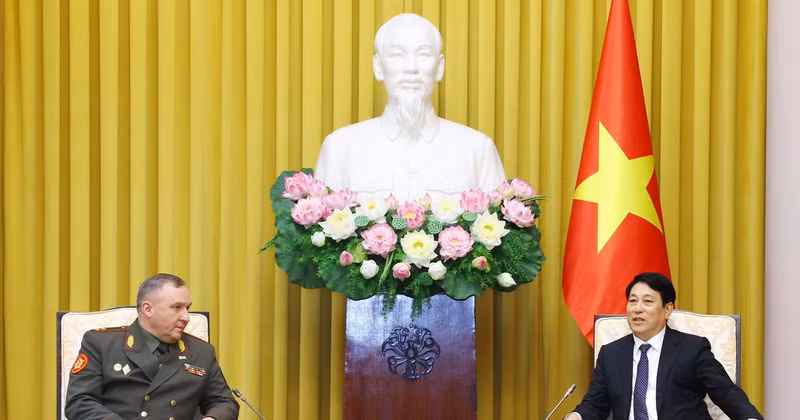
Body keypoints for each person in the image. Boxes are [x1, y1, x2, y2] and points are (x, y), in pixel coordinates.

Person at [314, 13, 506, 202]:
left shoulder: (477, 150)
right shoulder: (339, 149)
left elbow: (499, 228)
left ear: (439, 67)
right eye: (397, 55)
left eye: (423, 54)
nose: (411, 68)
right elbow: (317, 230)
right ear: (378, 67)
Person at [565, 272, 762, 420]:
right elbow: (595, 403)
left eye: (647, 301)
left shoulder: (692, 348)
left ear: (667, 309)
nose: (637, 308)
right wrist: (576, 417)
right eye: (632, 301)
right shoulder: (611, 353)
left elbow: (725, 392)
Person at [65, 273, 239, 420]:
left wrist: (212, 419)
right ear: (148, 309)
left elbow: (224, 402)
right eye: (177, 307)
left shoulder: (202, 352)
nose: (186, 317)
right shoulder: (102, 344)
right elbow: (79, 401)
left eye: (187, 308)